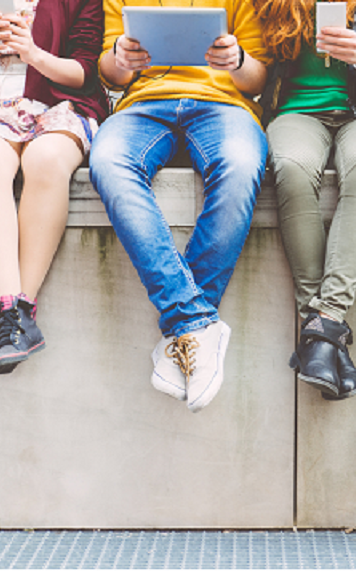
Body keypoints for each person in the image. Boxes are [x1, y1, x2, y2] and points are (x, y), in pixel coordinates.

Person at [89, 0, 269, 412]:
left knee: (241, 166)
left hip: (225, 105)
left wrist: (237, 60)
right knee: (109, 161)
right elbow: (110, 75)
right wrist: (120, 57)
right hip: (143, 105)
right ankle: (196, 323)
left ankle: (183, 330)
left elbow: (257, 79)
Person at [0, 0, 108, 375]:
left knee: (47, 159)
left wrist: (33, 54)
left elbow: (86, 72)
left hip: (60, 104)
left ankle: (13, 317)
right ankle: (11, 315)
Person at [253, 0, 356, 399]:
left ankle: (323, 323)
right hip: (295, 112)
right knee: (291, 167)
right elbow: (255, 67)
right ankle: (325, 334)